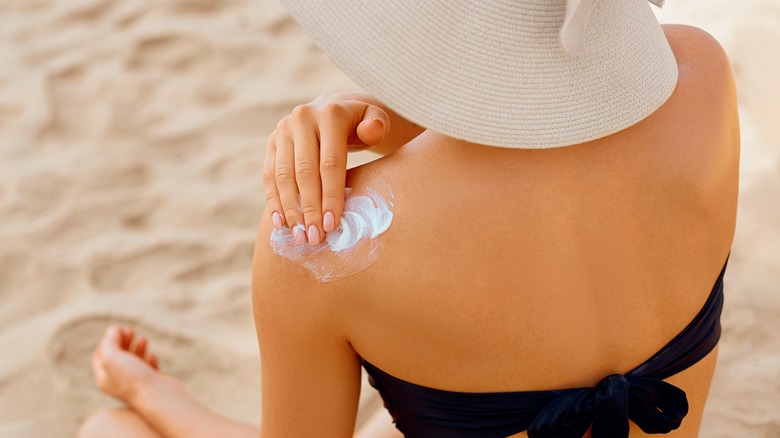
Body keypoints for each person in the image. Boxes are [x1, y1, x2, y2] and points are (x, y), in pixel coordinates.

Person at [80, 0, 739, 437]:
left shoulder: (323, 245)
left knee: (107, 432)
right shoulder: (702, 76)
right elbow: (558, 129)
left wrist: (150, 395)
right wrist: (384, 112)